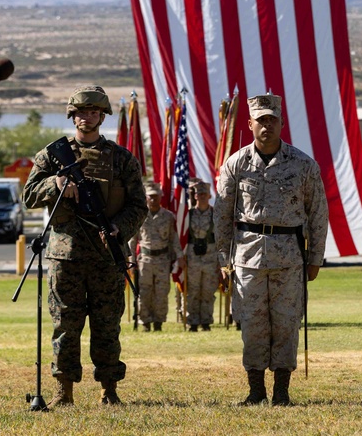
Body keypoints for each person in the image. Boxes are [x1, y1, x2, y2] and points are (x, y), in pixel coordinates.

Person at [22, 85, 148, 407]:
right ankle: (64, 392)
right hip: (67, 255)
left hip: (107, 256)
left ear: (102, 116)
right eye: (81, 112)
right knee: (65, 324)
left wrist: (120, 228)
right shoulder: (52, 156)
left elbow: (139, 205)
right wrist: (57, 183)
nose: (87, 118)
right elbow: (29, 196)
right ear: (72, 115)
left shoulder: (121, 159)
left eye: (94, 112)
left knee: (107, 324)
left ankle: (110, 390)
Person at [214, 94, 329, 406]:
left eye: (272, 119)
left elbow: (318, 213)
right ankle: (255, 391)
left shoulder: (303, 165)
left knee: (286, 323)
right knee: (252, 324)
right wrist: (223, 259)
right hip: (247, 258)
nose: (266, 125)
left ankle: (281, 392)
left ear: (281, 123)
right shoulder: (236, 164)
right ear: (250, 124)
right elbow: (222, 215)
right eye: (260, 120)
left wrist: (315, 257)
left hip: (290, 257)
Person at [130, 181, 183, 332]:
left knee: (161, 292)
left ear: (161, 197)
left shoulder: (168, 216)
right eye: (150, 197)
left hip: (162, 260)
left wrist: (180, 256)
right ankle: (145, 321)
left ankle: (158, 322)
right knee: (144, 292)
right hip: (145, 260)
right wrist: (131, 261)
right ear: (145, 197)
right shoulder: (140, 216)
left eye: (156, 196)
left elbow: (174, 238)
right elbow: (133, 240)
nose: (153, 200)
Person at [184, 178, 219, 332]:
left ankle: (206, 321)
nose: (202, 196)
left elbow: (220, 238)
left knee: (208, 291)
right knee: (193, 291)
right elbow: (182, 237)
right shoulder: (188, 214)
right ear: (195, 196)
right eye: (200, 194)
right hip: (193, 257)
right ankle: (192, 322)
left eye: (205, 193)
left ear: (209, 196)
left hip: (210, 256)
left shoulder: (215, 214)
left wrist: (221, 260)